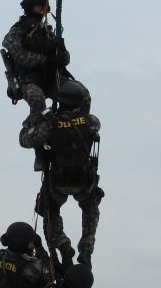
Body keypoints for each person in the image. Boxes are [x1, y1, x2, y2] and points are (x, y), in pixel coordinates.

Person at [19, 79, 103, 270]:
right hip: (84, 181)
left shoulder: (49, 126)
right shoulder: (92, 123)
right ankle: (86, 250)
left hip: (57, 181)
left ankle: (63, 246)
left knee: (50, 215)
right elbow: (85, 106)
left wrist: (37, 117)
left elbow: (24, 139)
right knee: (90, 210)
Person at [2, 0, 70, 120]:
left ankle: (64, 126)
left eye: (45, 8)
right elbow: (19, 54)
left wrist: (63, 54)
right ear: (31, 7)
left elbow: (64, 58)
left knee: (80, 94)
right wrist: (46, 61)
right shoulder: (19, 29)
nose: (43, 11)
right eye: (40, 7)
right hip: (29, 79)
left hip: (51, 78)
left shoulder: (47, 32)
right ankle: (33, 131)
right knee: (37, 101)